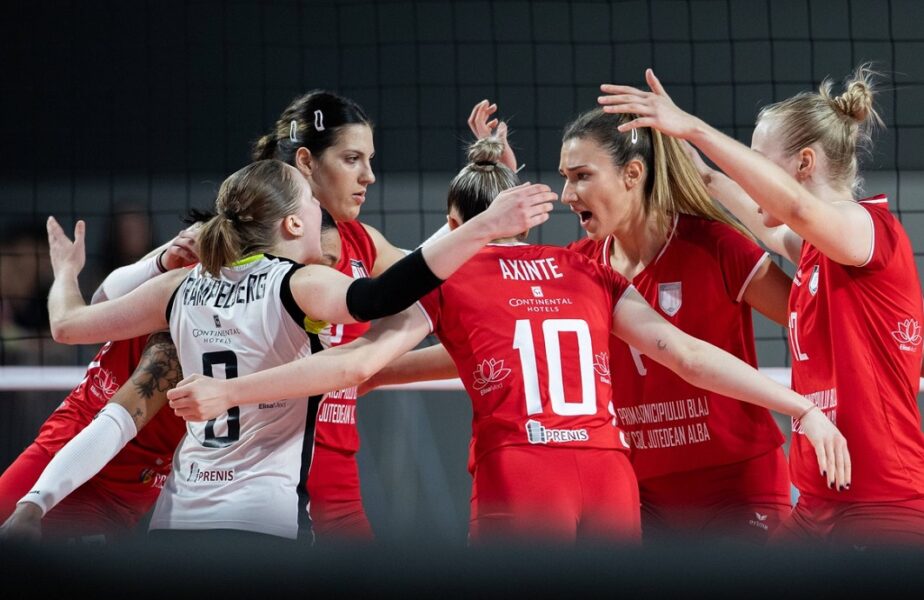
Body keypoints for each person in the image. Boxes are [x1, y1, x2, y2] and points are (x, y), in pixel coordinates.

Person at [166, 139, 851, 546]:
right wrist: (801, 407)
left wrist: (233, 389)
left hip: (523, 472)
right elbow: (689, 355)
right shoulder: (584, 268)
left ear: (453, 222)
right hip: (610, 474)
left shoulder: (452, 276)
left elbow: (360, 360)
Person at [25, 158, 553, 542]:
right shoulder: (297, 284)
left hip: (178, 520)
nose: (324, 212)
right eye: (312, 203)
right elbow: (384, 295)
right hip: (262, 521)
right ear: (294, 223)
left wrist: (66, 273)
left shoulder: (181, 285)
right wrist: (483, 227)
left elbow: (68, 326)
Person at [598, 66, 924, 547]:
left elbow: (796, 210)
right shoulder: (817, 251)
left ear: (805, 164)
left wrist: (695, 127)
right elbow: (773, 225)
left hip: (882, 501)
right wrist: (705, 175)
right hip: (819, 501)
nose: (747, 176)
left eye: (757, 164)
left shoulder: (866, 230)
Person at [252, 91, 445, 541]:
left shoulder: (363, 242)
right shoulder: (247, 243)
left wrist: (492, 196)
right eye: (352, 159)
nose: (369, 176)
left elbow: (443, 283)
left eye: (369, 160)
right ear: (306, 161)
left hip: (339, 488)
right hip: (268, 480)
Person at [0, 225, 200, 543]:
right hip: (67, 440)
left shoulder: (194, 301)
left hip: (123, 484)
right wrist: (160, 259)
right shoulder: (185, 262)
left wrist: (66, 273)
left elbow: (69, 323)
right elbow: (100, 299)